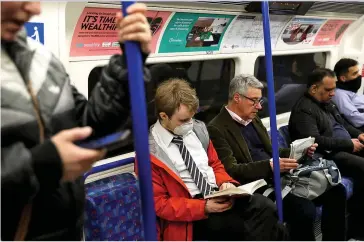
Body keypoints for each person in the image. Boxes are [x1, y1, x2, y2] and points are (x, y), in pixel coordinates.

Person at [1, 1, 152, 240]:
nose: (35, 9)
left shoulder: (40, 59)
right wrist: (45, 164)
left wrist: (127, 62)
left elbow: (86, 125)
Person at [140, 79, 288, 241]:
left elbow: (215, 164)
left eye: (192, 118)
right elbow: (159, 203)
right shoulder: (150, 153)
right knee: (268, 230)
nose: (189, 124)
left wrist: (225, 182)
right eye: (183, 120)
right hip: (191, 211)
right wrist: (204, 207)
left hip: (217, 193)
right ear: (163, 116)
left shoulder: (198, 131)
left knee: (265, 206)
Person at [207, 74, 347, 241]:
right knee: (304, 210)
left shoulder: (253, 119)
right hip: (257, 184)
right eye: (254, 100)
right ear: (237, 98)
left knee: (337, 191)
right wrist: (271, 166)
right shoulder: (216, 128)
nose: (259, 106)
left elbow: (271, 150)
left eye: (260, 101)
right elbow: (232, 169)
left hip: (278, 174)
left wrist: (297, 152)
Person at [289, 68, 364, 240]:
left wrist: (357, 134)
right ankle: (356, 229)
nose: (333, 93)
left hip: (344, 145)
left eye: (334, 89)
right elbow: (315, 140)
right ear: (314, 89)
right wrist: (348, 144)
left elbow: (342, 123)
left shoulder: (327, 104)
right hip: (327, 154)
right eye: (328, 90)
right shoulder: (304, 111)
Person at [332, 58, 364, 131]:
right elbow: (355, 118)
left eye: (358, 72)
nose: (359, 76)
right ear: (343, 78)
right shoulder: (340, 95)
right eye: (354, 73)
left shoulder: (350, 90)